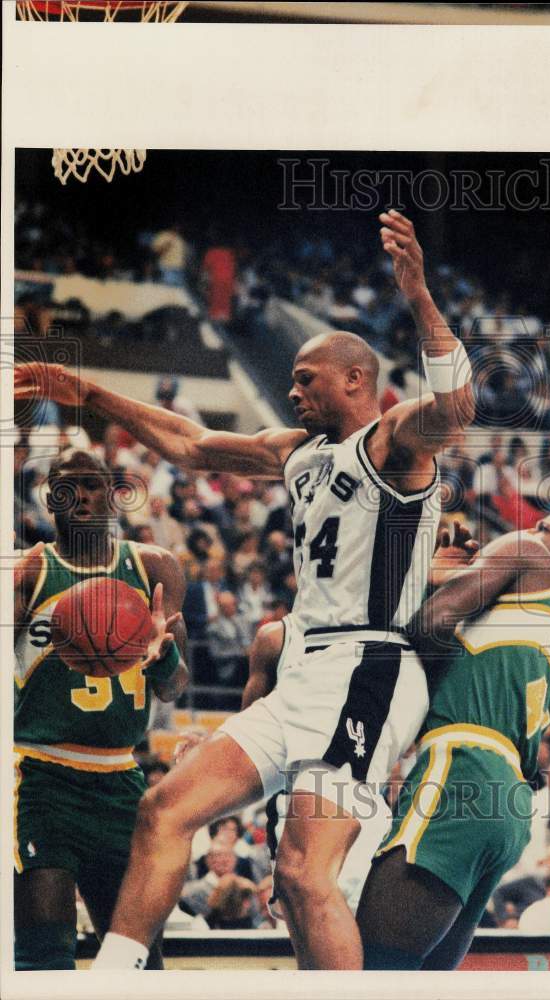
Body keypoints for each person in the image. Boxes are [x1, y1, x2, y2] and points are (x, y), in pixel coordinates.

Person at [16, 209, 474, 971]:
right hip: (304, 670)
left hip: (368, 668)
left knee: (302, 874)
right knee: (165, 809)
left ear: (355, 379)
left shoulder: (393, 444)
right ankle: (114, 977)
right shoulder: (298, 452)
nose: (291, 391)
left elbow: (457, 411)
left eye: (305, 379)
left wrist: (420, 296)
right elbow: (193, 445)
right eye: (289, 380)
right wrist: (90, 393)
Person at [355, 507, 550, 969]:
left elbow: (429, 625)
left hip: (461, 766)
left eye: (543, 528)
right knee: (426, 980)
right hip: (508, 806)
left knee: (372, 972)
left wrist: (432, 581)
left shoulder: (526, 552)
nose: (527, 531)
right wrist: (447, 581)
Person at [12, 448, 189, 971]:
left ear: (114, 495)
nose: (81, 497)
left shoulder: (154, 567)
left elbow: (175, 688)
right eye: (67, 488)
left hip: (120, 781)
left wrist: (162, 655)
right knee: (45, 953)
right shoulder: (29, 572)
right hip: (40, 777)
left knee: (138, 958)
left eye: (92, 485)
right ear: (50, 499)